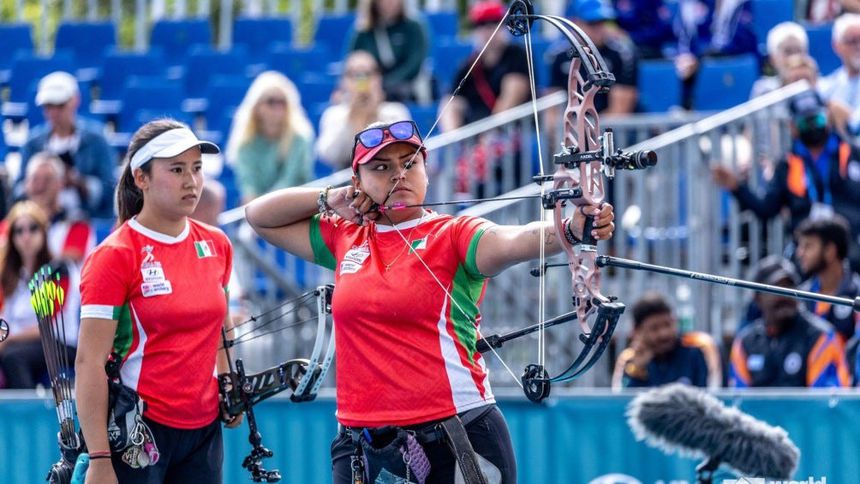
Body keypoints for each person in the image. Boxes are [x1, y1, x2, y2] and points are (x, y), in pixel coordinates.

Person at [245, 119, 616, 483]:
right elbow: (259, 216)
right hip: (363, 445)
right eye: (381, 167)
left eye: (409, 164)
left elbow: (513, 240)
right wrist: (330, 197)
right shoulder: (345, 237)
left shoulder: (454, 234)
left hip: (456, 435)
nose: (398, 175)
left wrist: (569, 230)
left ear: (426, 170)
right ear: (357, 182)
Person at [75, 119, 241, 483]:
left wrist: (229, 386)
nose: (191, 181)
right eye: (177, 169)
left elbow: (222, 329)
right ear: (141, 178)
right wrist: (100, 458)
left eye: (197, 168)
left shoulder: (217, 244)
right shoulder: (114, 255)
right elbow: (88, 363)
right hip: (139, 430)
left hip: (204, 432)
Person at [711, 89, 860, 270]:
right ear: (792, 126)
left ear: (828, 117)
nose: (813, 127)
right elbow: (767, 208)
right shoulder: (786, 165)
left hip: (852, 244)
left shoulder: (854, 154)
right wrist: (737, 187)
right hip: (806, 252)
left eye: (818, 119)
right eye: (805, 123)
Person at [729, 255, 850, 388]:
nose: (785, 296)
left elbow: (826, 398)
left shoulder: (821, 337)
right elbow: (738, 396)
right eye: (776, 289)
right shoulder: (745, 342)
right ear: (758, 298)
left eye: (790, 287)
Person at [0, 201, 79, 389]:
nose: (26, 236)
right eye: (19, 231)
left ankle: (27, 409)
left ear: (44, 232)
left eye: (33, 228)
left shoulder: (58, 271)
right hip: (20, 344)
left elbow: (46, 327)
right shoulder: (10, 276)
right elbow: (5, 319)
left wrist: (8, 339)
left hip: (60, 344)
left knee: (13, 357)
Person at [18, 71, 116, 218]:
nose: (54, 112)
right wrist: (38, 183)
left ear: (75, 101)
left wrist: (78, 182)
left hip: (86, 219)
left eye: (60, 105)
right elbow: (18, 189)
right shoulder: (32, 143)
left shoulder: (97, 141)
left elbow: (108, 190)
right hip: (41, 220)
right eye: (49, 106)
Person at [225, 71, 315, 204]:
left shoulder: (299, 138)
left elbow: (289, 181)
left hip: (297, 204)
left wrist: (266, 206)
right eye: (271, 101)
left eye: (282, 102)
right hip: (258, 206)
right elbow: (248, 186)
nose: (278, 107)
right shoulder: (245, 143)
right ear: (257, 106)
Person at [439, 0, 530, 131]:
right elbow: (451, 102)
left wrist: (489, 135)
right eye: (481, 24)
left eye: (494, 23)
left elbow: (513, 96)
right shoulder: (470, 65)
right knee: (450, 104)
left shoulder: (517, 55)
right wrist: (453, 136)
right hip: (476, 132)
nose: (488, 30)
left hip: (512, 131)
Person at [317, 51, 411, 170]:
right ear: (344, 81)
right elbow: (328, 155)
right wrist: (352, 117)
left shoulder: (395, 112)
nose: (362, 81)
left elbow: (405, 151)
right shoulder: (334, 114)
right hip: (347, 177)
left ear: (378, 78)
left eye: (367, 74)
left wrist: (376, 115)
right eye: (354, 75)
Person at [611, 293, 722, 390]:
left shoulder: (698, 349)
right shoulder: (629, 359)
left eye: (668, 324)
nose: (664, 333)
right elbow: (619, 402)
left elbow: (712, 396)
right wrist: (637, 370)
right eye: (654, 328)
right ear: (637, 331)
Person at [547, 0, 639, 116]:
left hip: (607, 126)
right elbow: (552, 109)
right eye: (592, 23)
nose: (599, 29)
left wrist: (588, 126)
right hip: (571, 124)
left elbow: (619, 111)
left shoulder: (622, 55)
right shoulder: (558, 56)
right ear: (575, 23)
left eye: (603, 22)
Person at [670, 0, 758, 109]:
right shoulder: (690, 4)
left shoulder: (740, 3)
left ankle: (687, 104)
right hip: (702, 55)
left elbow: (741, 39)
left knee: (701, 62)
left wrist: (699, 56)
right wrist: (686, 55)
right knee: (681, 63)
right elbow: (684, 39)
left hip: (734, 54)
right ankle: (684, 106)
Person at [349, 0, 431, 103]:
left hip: (404, 88)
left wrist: (386, 84)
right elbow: (354, 63)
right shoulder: (363, 32)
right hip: (370, 89)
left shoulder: (413, 28)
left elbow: (414, 64)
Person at [21, 152, 95, 264]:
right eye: (35, 179)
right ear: (26, 184)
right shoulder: (13, 225)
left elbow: (60, 267)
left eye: (47, 179)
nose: (40, 186)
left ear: (61, 184)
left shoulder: (77, 224)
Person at [794, 215, 860, 340]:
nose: (800, 253)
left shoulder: (857, 293)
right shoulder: (799, 297)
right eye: (800, 246)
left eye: (808, 246)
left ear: (830, 250)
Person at [818, 14, 860, 133]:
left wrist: (849, 119)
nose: (858, 47)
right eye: (852, 41)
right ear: (836, 46)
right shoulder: (828, 86)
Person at [750, 22, 809, 100]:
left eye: (799, 50)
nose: (794, 57)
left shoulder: (818, 85)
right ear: (772, 59)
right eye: (788, 51)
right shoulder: (764, 90)